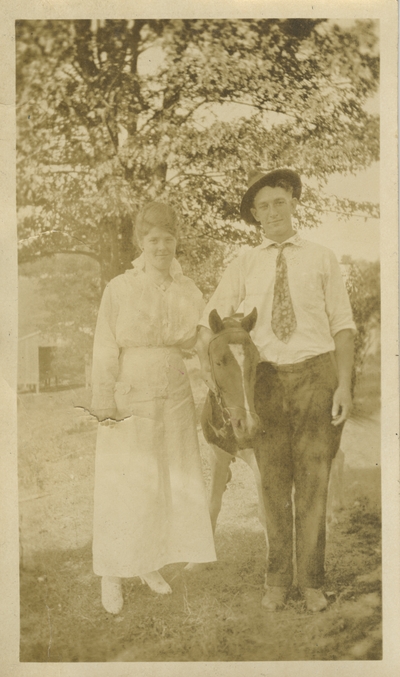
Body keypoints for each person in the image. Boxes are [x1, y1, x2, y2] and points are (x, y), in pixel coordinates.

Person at [196, 169, 356, 613]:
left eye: (279, 202)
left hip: (316, 376)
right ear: (254, 216)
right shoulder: (244, 262)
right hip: (264, 380)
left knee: (313, 483)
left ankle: (311, 583)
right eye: (262, 207)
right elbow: (209, 320)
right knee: (272, 486)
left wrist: (343, 384)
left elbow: (343, 326)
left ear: (293, 202)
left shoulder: (323, 257)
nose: (272, 212)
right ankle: (276, 580)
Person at [90, 202, 216, 614]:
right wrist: (104, 398)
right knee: (126, 481)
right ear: (141, 244)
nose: (162, 247)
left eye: (168, 238)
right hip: (133, 390)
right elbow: (106, 345)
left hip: (176, 391)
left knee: (168, 476)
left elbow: (199, 344)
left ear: (177, 240)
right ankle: (112, 572)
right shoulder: (121, 287)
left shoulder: (189, 290)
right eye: (153, 240)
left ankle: (149, 562)